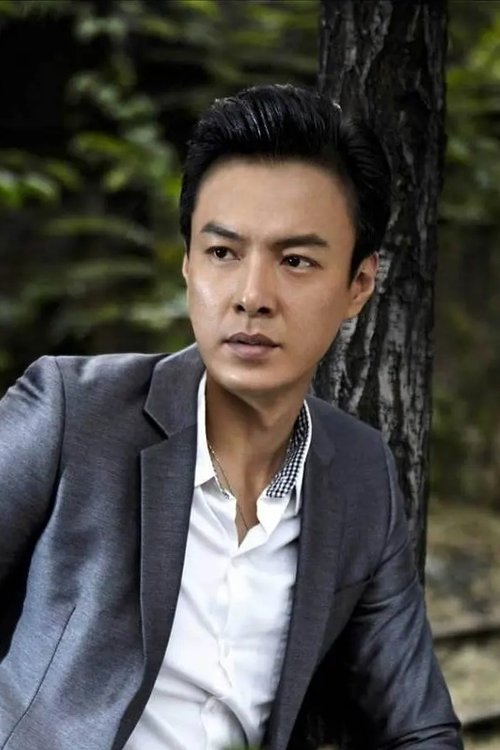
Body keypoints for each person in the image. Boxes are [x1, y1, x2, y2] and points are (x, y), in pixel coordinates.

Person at [0, 84, 461, 750]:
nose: (252, 296)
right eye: (223, 253)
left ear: (358, 285)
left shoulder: (361, 474)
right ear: (189, 263)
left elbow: (421, 729)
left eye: (296, 261)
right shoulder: (73, 412)